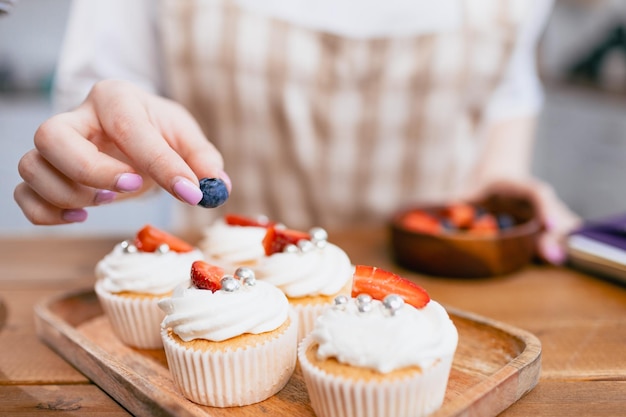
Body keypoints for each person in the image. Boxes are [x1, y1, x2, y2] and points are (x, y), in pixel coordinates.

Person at [14, 0, 580, 264]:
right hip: (228, 284)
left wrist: (502, 197)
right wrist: (111, 152)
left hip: (435, 299)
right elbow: (104, 102)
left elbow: (503, 93)